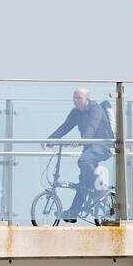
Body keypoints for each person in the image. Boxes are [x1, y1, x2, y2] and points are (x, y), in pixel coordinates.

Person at [44, 88, 114, 221]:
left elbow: (92, 127)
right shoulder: (76, 112)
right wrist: (49, 140)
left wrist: (81, 141)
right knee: (84, 180)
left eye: (79, 98)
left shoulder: (96, 109)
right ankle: (73, 212)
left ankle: (101, 189)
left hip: (104, 145)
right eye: (74, 97)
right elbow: (64, 127)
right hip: (89, 147)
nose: (75, 100)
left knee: (83, 161)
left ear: (87, 99)